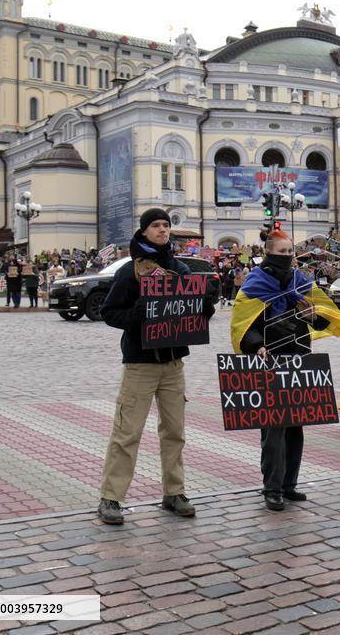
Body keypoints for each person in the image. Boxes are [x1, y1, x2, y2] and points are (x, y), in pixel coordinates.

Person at [97, 209, 216, 525]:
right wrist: (136, 317)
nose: (163, 230)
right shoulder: (131, 272)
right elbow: (109, 311)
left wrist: (204, 305)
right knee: (127, 432)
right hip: (140, 363)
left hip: (173, 363)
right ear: (144, 231)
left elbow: (194, 311)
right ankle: (111, 498)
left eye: (165, 225)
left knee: (175, 432)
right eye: (156, 225)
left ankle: (174, 492)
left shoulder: (180, 269)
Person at [231, 230, 337, 511]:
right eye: (281, 252)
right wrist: (255, 346)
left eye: (290, 251)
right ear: (268, 253)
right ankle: (272, 487)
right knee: (274, 428)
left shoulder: (302, 282)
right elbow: (243, 324)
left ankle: (290, 484)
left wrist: (314, 316)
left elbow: (325, 318)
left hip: (299, 358)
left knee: (295, 425)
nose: (287, 256)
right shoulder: (254, 284)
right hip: (270, 359)